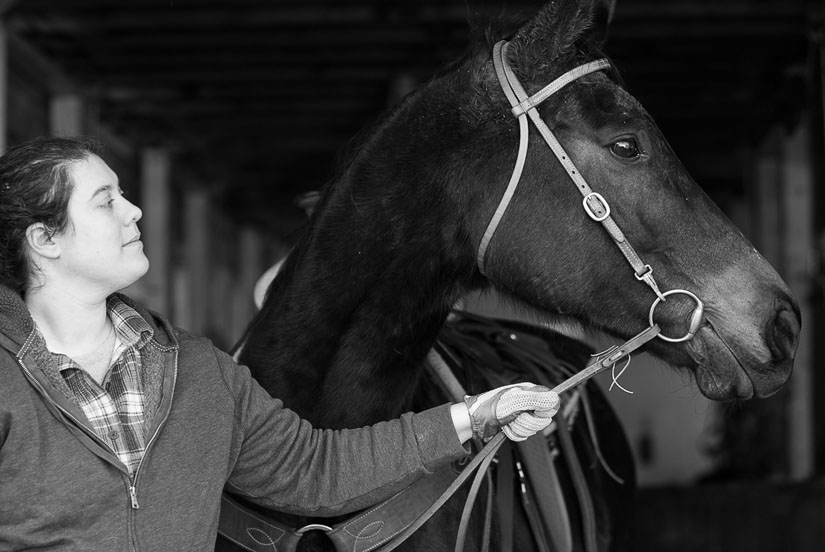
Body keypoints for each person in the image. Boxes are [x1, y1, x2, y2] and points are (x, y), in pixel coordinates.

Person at [0, 136, 560, 551]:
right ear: (45, 240)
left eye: (124, 195)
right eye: (106, 201)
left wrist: (478, 413)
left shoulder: (197, 369)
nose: (134, 210)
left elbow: (316, 470)